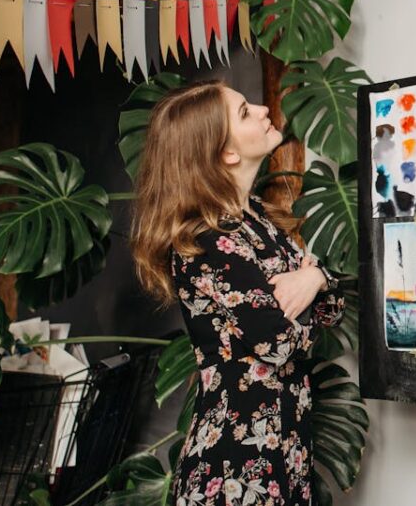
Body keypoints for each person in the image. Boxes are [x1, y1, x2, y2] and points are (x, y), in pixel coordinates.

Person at [130, 80, 345, 506]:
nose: (266, 110)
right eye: (246, 112)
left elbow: (330, 311)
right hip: (236, 461)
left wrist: (314, 279)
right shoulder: (204, 240)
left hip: (286, 448)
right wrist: (306, 286)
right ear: (226, 153)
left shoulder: (260, 220)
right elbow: (278, 341)